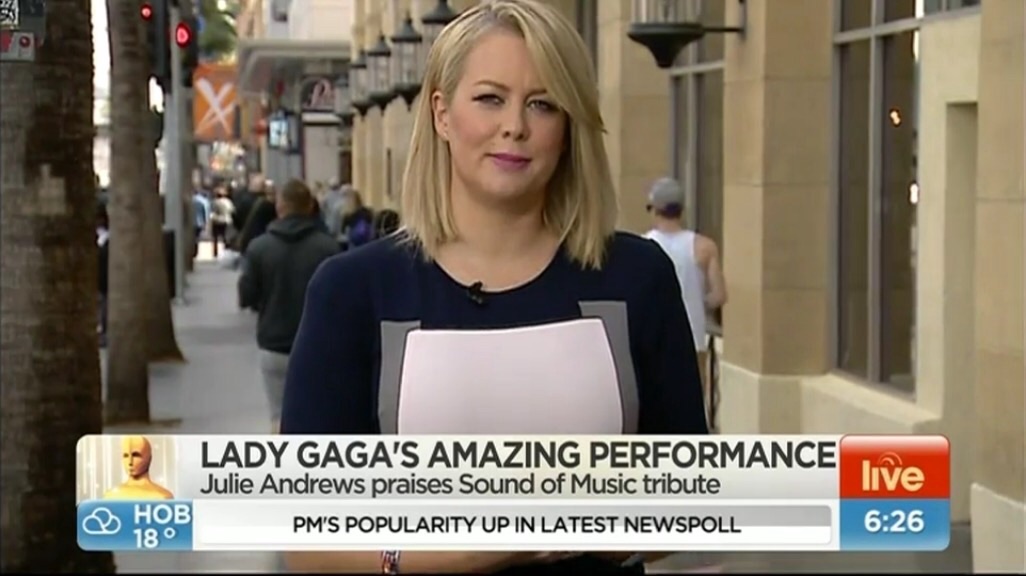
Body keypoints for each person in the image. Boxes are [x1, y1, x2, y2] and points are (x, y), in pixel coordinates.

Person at [280, 1, 706, 574]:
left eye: (542, 103)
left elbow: (689, 499)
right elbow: (306, 540)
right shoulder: (354, 290)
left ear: (568, 127)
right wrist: (457, 553)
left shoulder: (637, 276)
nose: (515, 126)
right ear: (442, 114)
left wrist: (589, 525)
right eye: (490, 98)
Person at [237, 179, 339, 433]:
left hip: (274, 343)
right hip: (318, 345)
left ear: (279, 207)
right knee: (317, 415)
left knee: (278, 415)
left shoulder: (259, 247)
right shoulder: (328, 249)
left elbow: (246, 295)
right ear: (310, 206)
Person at [643, 177, 727, 427]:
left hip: (652, 339)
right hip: (693, 335)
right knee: (692, 406)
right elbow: (719, 295)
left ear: (654, 209)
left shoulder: (643, 247)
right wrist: (698, 302)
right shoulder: (704, 247)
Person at [103, 436, 173, 500]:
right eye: (125, 456)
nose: (130, 462)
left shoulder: (163, 496)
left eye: (136, 455)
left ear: (148, 458)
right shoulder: (110, 496)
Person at [210, 186, 235, 258]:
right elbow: (232, 211)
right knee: (225, 237)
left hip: (217, 221)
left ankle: (215, 253)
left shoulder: (215, 202)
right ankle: (226, 251)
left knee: (215, 238)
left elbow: (213, 212)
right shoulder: (229, 202)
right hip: (227, 221)